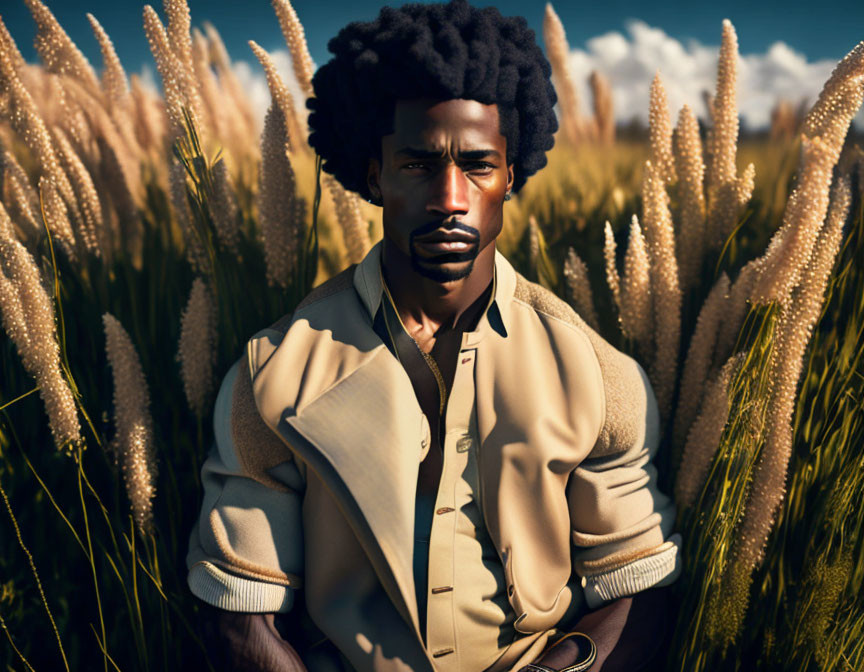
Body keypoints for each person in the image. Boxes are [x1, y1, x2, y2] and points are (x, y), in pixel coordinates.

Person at [186, 1, 681, 670]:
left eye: (478, 165)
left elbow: (636, 587)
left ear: (511, 176)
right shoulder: (273, 372)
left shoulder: (594, 372)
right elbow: (241, 620)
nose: (451, 197)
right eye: (419, 165)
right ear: (373, 174)